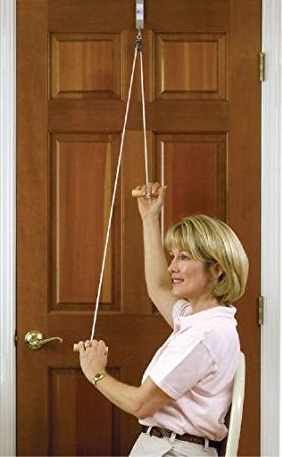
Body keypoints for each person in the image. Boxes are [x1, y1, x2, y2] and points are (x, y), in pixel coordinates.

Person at [78, 182, 249, 456]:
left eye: (184, 257)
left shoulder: (203, 336)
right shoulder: (204, 320)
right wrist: (150, 218)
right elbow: (158, 288)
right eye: (173, 256)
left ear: (217, 269)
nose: (172, 267)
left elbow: (140, 404)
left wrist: (95, 373)